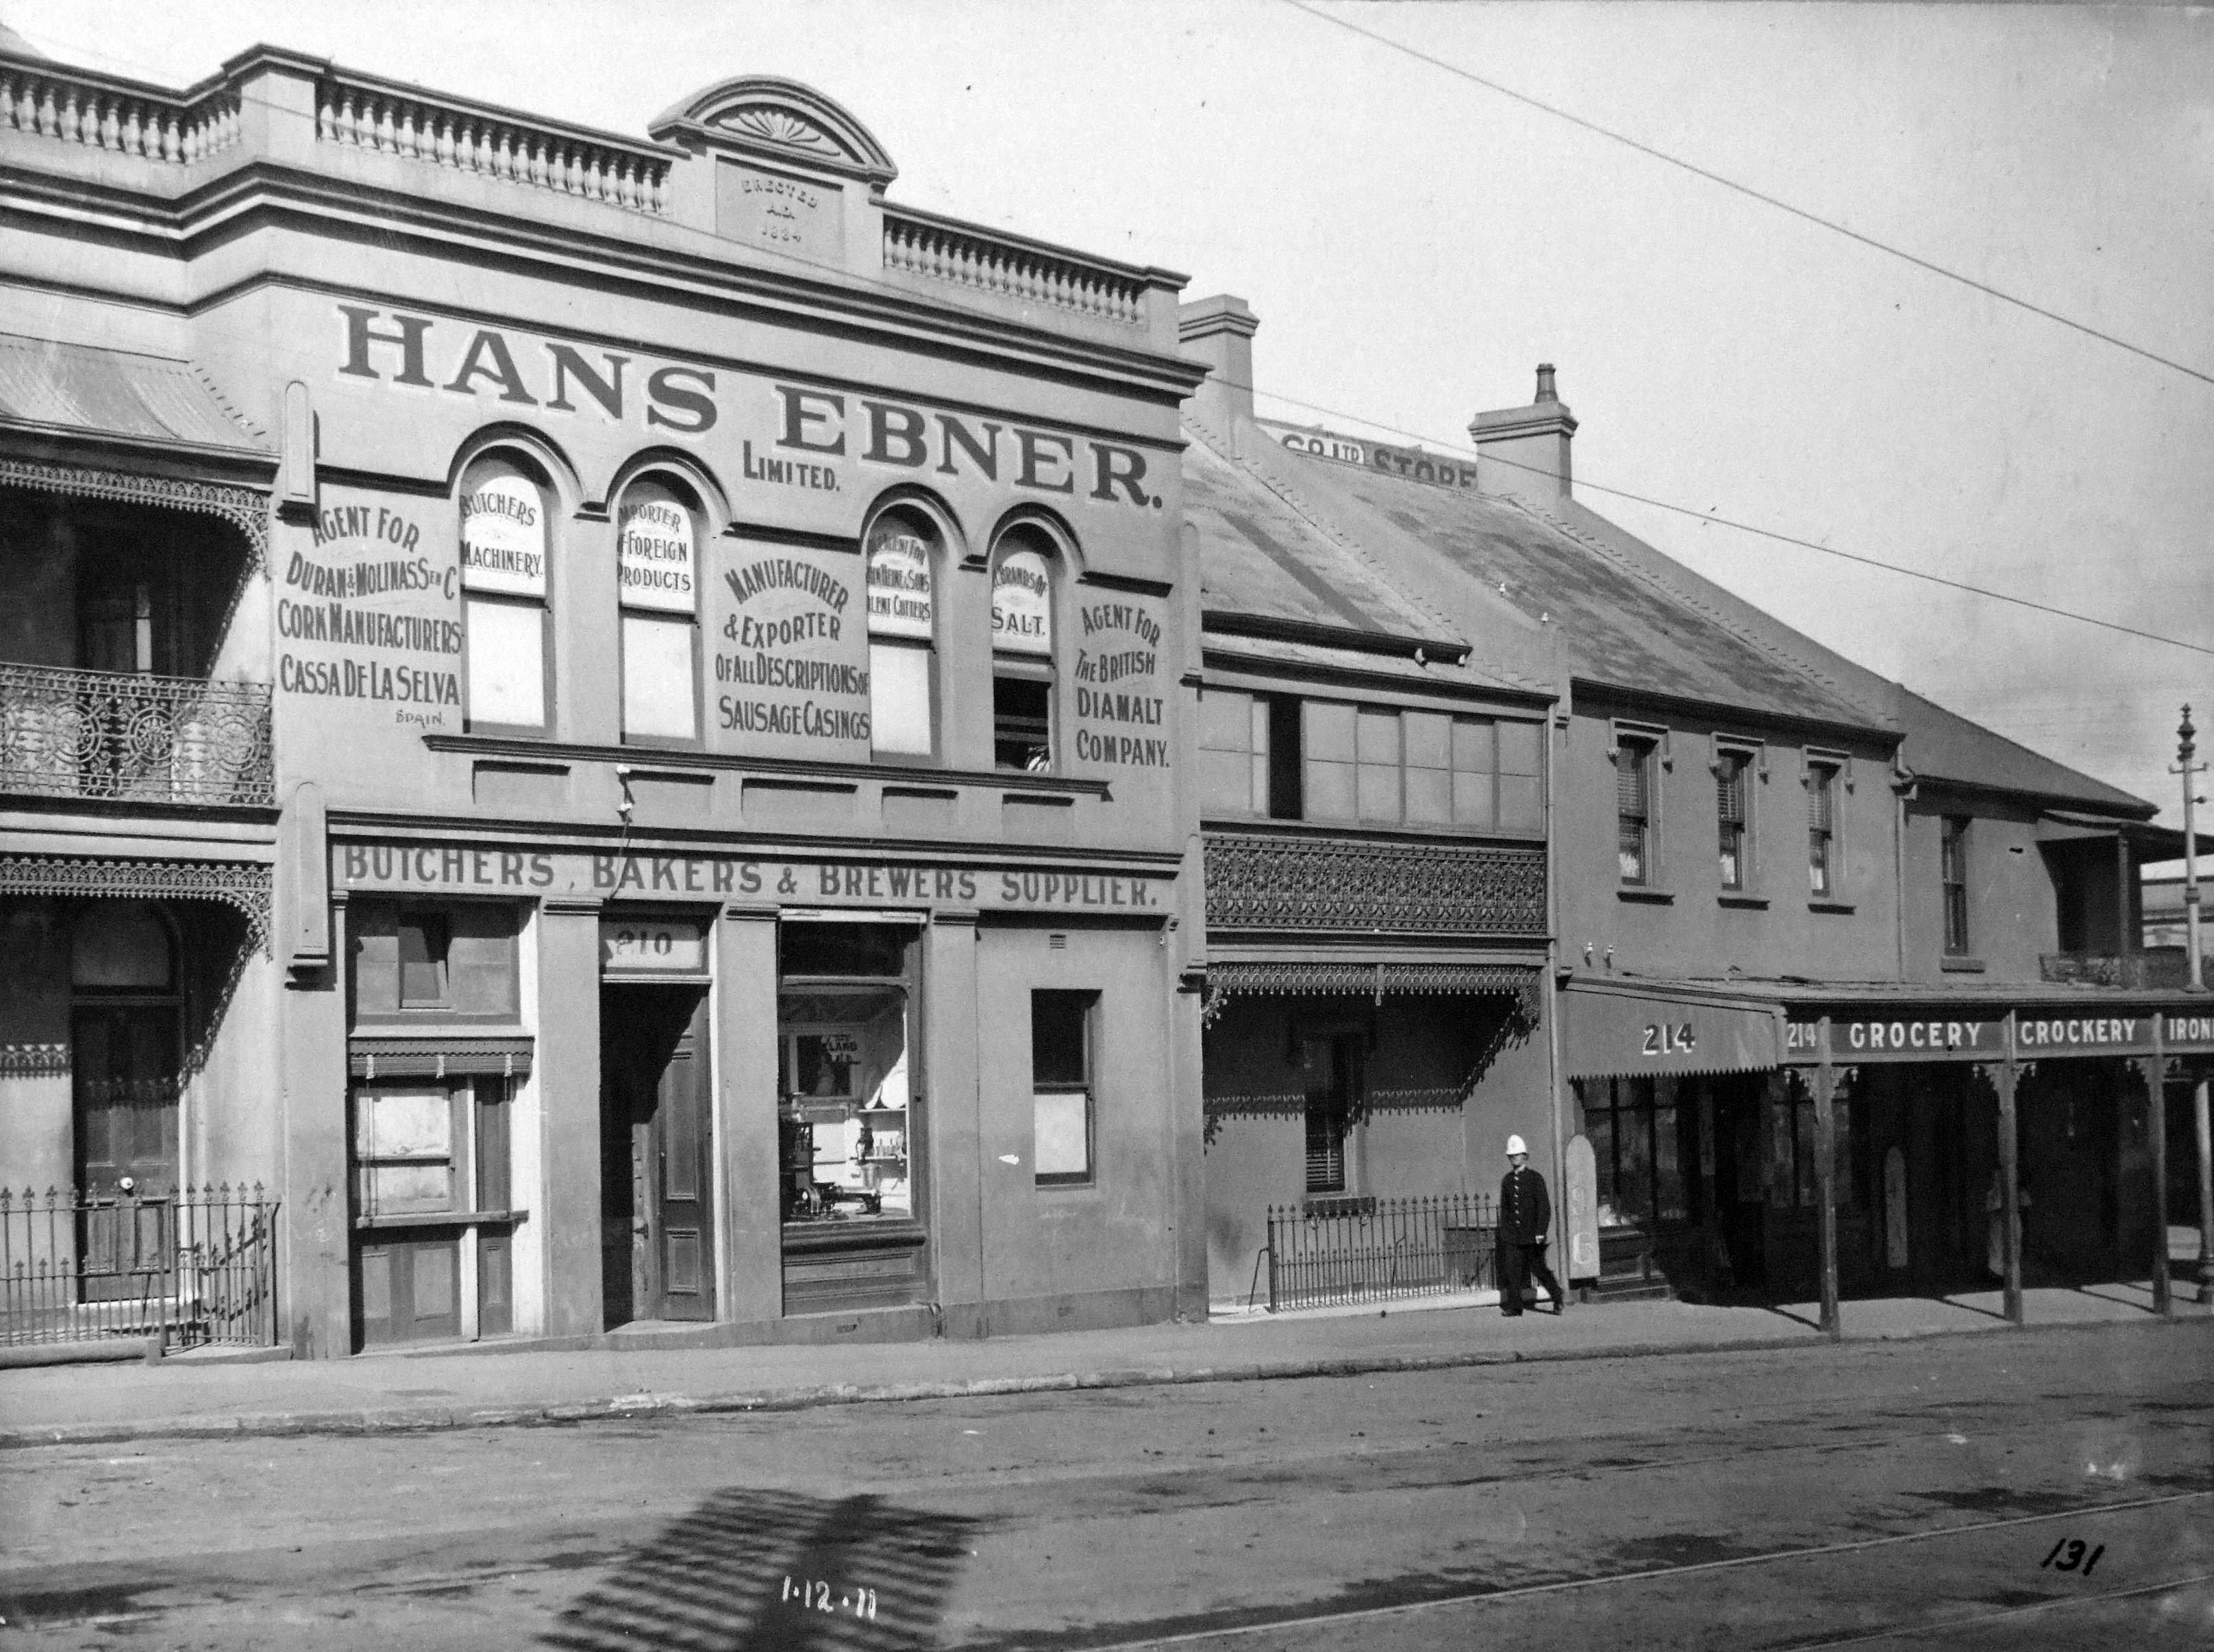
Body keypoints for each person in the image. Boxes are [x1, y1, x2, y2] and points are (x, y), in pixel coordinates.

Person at [1498, 1134, 1566, 1316]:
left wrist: (1540, 1232)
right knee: (1513, 1272)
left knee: (1539, 1270)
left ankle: (1558, 1297)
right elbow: (1505, 1210)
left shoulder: (1535, 1179)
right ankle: (1515, 1307)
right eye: (1511, 1156)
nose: (1514, 1159)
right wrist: (1505, 1233)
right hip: (1514, 1236)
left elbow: (1544, 1208)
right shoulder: (1507, 1181)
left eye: (1517, 1155)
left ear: (1525, 1156)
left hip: (1532, 1235)